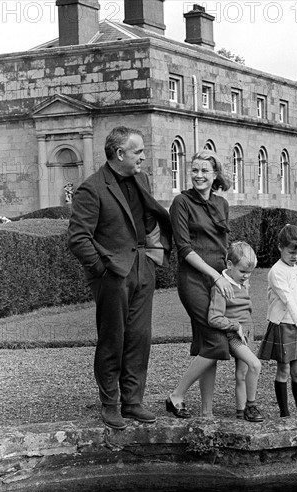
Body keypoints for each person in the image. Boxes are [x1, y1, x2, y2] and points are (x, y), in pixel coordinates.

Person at [68, 126, 172, 430]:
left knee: (140, 337)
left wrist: (154, 254)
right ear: (119, 153)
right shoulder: (91, 188)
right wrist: (103, 270)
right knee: (113, 339)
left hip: (143, 267)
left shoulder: (142, 179)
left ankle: (133, 401)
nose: (143, 156)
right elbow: (78, 238)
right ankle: (110, 404)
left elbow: (149, 218)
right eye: (138, 151)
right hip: (113, 275)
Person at [166, 150, 233, 419]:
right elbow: (184, 249)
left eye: (205, 170)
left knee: (208, 344)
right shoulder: (181, 202)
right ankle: (176, 395)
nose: (198, 175)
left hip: (218, 280)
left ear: (215, 174)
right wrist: (215, 275)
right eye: (194, 170)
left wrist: (229, 275)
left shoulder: (221, 204)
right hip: (193, 279)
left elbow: (223, 246)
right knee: (217, 342)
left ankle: (207, 412)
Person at [258, 224, 297, 417]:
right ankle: (284, 415)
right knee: (283, 369)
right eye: (292, 252)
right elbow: (288, 299)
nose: (295, 257)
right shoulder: (276, 272)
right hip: (284, 324)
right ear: (280, 247)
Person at [208, 241, 264, 422]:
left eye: (249, 273)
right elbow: (214, 318)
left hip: (248, 332)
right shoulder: (221, 287)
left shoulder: (242, 283)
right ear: (230, 265)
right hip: (234, 335)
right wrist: (235, 325)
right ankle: (251, 406)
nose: (246, 276)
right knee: (255, 365)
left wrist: (246, 328)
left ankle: (240, 413)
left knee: (242, 374)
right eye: (243, 272)